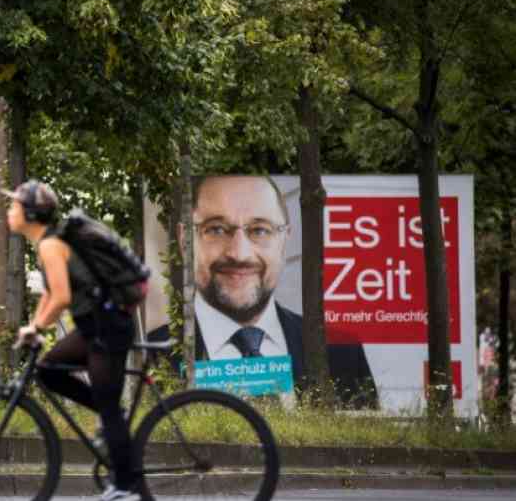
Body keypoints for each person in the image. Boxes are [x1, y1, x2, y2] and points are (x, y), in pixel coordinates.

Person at [149, 175, 378, 408]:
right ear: (184, 239)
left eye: (260, 230)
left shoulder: (343, 354)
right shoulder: (150, 357)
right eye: (216, 229)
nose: (239, 254)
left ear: (284, 240)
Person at [7, 180, 141, 501]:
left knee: (109, 410)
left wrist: (36, 326)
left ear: (30, 213)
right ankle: (111, 421)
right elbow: (52, 292)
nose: (9, 211)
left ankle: (125, 487)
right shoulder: (49, 242)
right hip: (94, 328)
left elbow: (62, 298)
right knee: (47, 369)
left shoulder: (51, 245)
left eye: (14, 206)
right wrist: (34, 326)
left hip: (107, 329)